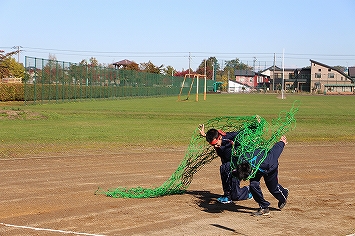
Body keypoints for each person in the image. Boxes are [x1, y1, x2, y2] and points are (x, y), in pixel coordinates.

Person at [234, 135, 289, 216]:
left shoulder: (267, 161)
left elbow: (274, 152)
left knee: (272, 188)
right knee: (253, 185)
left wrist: (281, 143)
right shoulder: (242, 159)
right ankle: (264, 207)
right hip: (255, 168)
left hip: (270, 169)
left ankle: (284, 194)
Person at [198, 124, 252, 204]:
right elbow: (212, 138)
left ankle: (248, 190)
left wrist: (254, 126)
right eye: (213, 145)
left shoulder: (228, 137)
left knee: (236, 195)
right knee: (224, 170)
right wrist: (205, 135)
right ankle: (227, 195)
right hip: (226, 161)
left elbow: (243, 132)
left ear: (219, 137)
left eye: (216, 143)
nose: (216, 146)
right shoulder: (215, 139)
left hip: (235, 163)